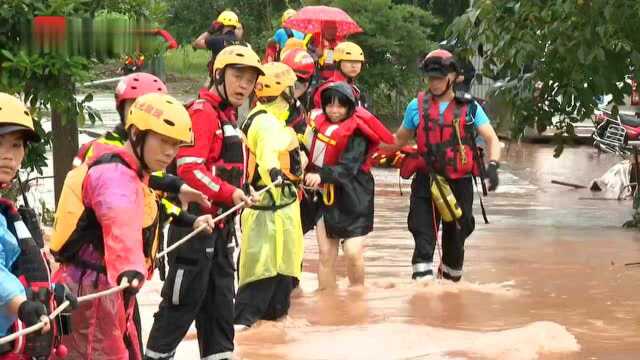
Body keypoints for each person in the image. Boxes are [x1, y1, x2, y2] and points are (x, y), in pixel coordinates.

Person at [51, 93, 203, 359]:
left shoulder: (135, 173)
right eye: (164, 142)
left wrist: (188, 215)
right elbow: (118, 219)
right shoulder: (114, 175)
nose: (170, 152)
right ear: (136, 134)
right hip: (92, 293)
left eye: (176, 145)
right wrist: (130, 267)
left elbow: (146, 210)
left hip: (107, 291)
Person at [144, 45, 263, 360]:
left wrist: (245, 188)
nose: (243, 86)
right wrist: (228, 193)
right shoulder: (202, 112)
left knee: (221, 317)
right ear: (219, 74)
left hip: (221, 233)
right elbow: (189, 168)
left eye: (250, 81)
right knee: (178, 311)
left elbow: (227, 171)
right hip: (193, 232)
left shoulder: (230, 118)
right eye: (238, 77)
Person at [385, 49, 501, 282]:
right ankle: (422, 293)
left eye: (439, 77)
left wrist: (493, 165)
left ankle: (449, 297)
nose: (434, 83)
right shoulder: (415, 107)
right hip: (426, 182)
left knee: (456, 242)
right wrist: (373, 152)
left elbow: (491, 139)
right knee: (422, 236)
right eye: (431, 78)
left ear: (454, 77)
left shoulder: (470, 108)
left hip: (459, 183)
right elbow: (397, 140)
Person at [0, 92, 77, 359]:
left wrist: (51, 292)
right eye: (0, 143)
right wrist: (22, 305)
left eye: (16, 145)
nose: (9, 155)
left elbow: (19, 267)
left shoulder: (7, 212)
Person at [74, 72, 210, 216]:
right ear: (121, 109)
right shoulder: (102, 149)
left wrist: (190, 219)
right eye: (136, 104)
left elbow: (154, 203)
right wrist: (177, 185)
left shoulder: (154, 151)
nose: (142, 110)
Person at [234, 62, 304, 329]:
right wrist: (275, 174)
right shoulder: (264, 122)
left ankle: (274, 335)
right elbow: (266, 157)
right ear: (283, 90)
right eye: (291, 88)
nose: (295, 93)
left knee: (282, 279)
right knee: (259, 275)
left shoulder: (272, 119)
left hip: (283, 211)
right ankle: (244, 327)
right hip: (267, 213)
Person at [303, 83, 393, 290]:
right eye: (330, 105)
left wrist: (321, 176)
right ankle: (327, 304)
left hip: (354, 196)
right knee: (326, 253)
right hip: (325, 196)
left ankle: (357, 297)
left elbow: (348, 168)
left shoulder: (358, 134)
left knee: (352, 252)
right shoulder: (317, 125)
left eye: (340, 106)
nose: (334, 111)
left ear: (350, 107)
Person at [193, 10, 245, 87]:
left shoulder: (217, 40)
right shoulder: (242, 44)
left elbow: (196, 43)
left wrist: (210, 31)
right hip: (235, 82)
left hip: (218, 82)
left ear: (221, 25)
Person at [311, 41, 368, 109]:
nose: (354, 66)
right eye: (349, 61)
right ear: (338, 63)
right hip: (324, 78)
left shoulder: (355, 89)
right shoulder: (328, 89)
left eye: (358, 62)